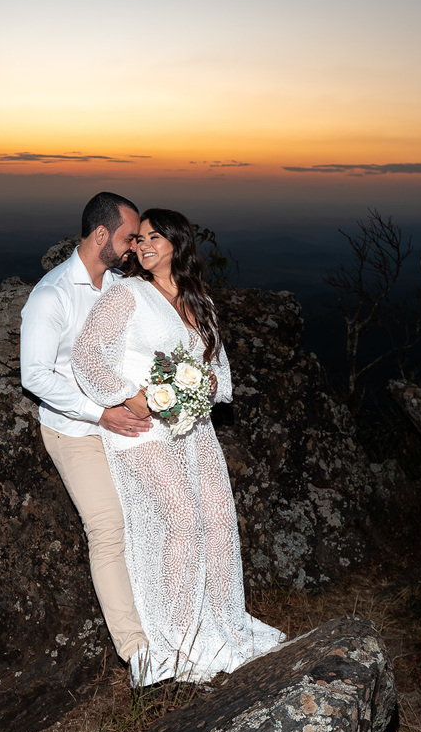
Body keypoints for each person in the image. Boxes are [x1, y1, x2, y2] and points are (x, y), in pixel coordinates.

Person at [72, 208, 284, 687]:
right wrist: (131, 396)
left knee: (216, 520)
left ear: (177, 243)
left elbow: (219, 373)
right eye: (138, 238)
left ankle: (221, 624)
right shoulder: (125, 293)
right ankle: (179, 637)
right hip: (140, 431)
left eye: (153, 237)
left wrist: (196, 388)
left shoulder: (200, 300)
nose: (142, 245)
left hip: (194, 430)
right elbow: (88, 356)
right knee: (181, 519)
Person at [19, 192, 151, 667]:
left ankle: (169, 624)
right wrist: (100, 413)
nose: (134, 246)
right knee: (108, 528)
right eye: (128, 237)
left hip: (119, 422)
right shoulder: (51, 294)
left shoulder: (117, 287)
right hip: (73, 430)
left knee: (149, 516)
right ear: (101, 235)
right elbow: (33, 375)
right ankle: (137, 654)